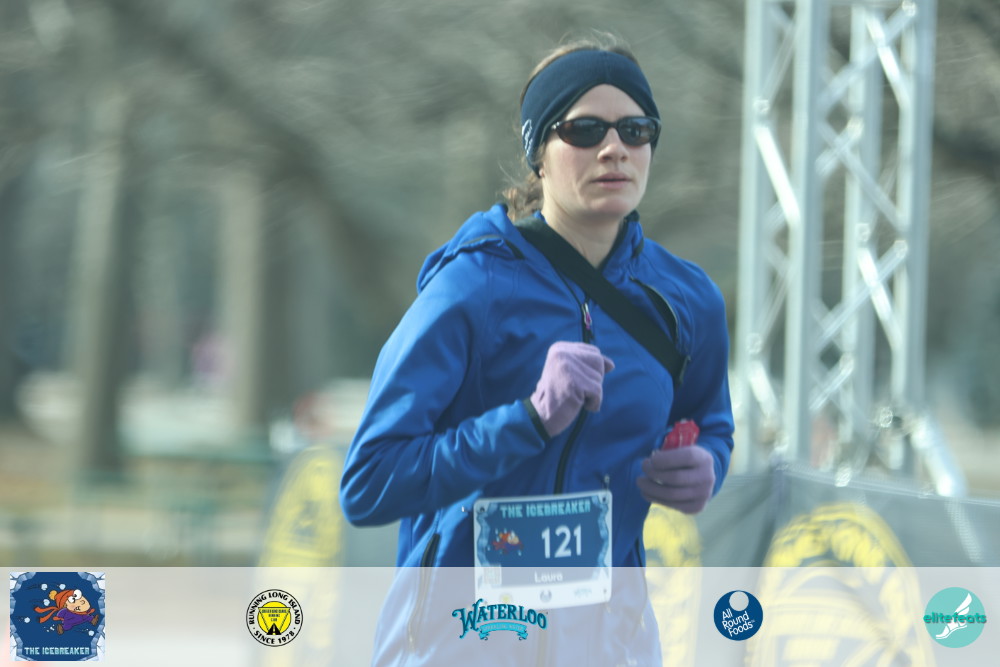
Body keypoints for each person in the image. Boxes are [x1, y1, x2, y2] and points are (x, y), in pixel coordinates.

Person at [339, 34, 734, 664]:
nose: (614, 148)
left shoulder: (687, 300)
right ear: (539, 154)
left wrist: (708, 463)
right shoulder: (471, 288)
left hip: (610, 647)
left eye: (635, 130)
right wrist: (526, 421)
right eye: (584, 130)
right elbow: (368, 484)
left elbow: (711, 422)